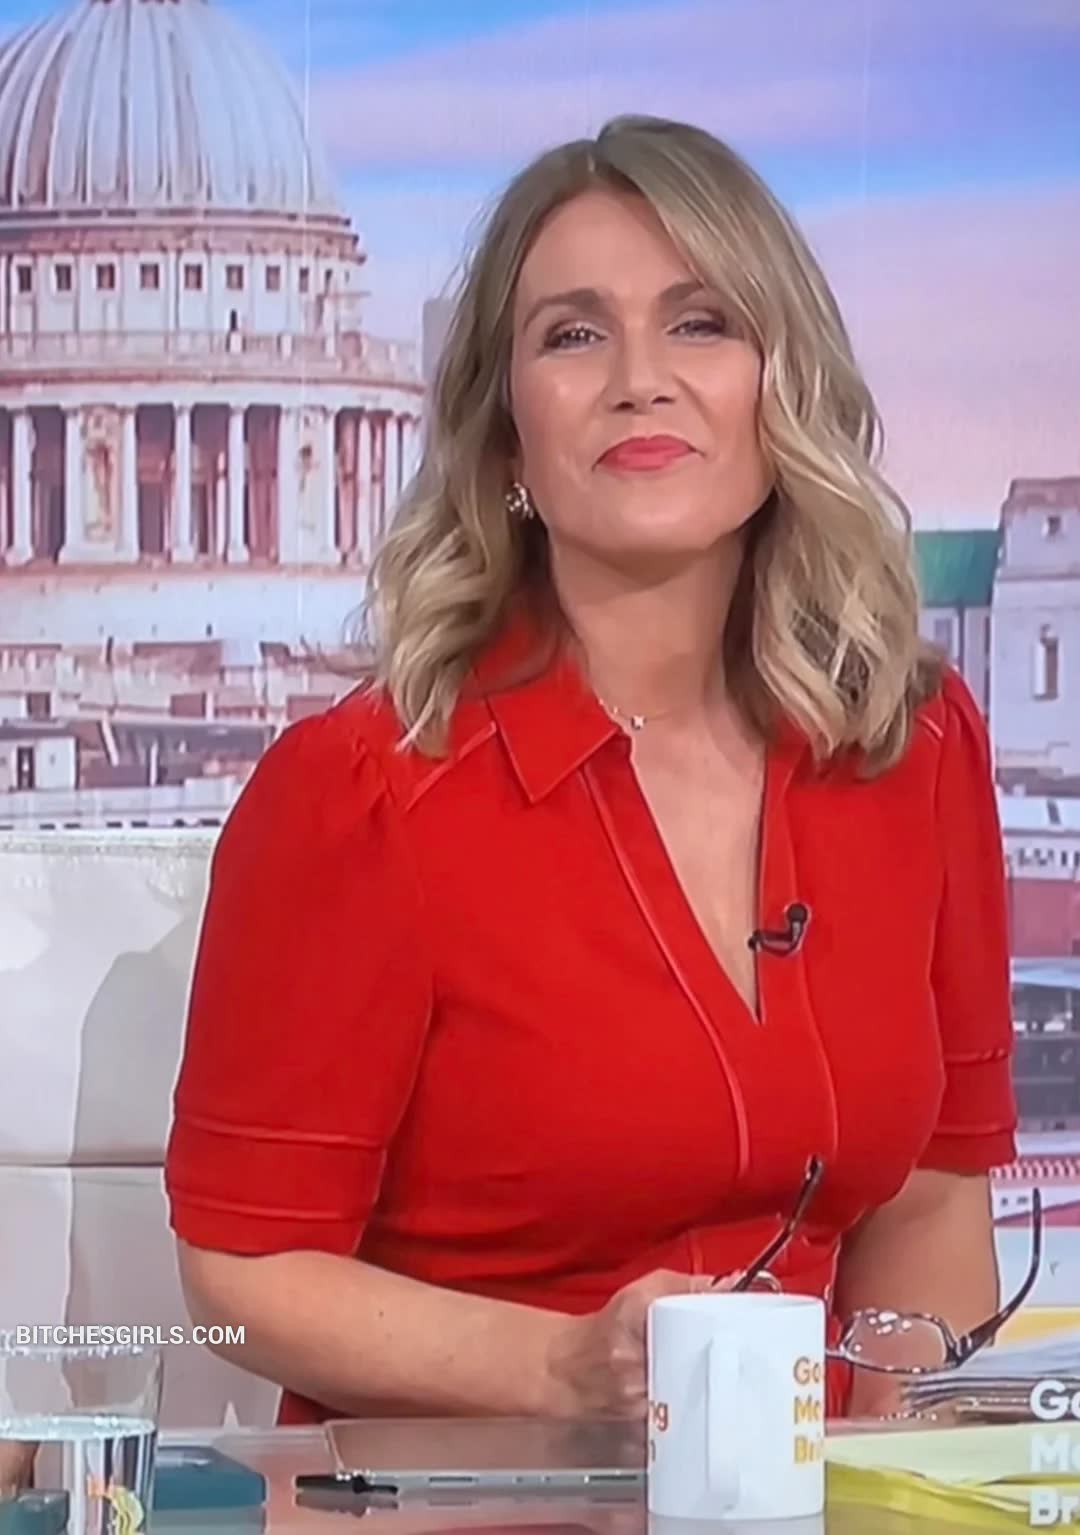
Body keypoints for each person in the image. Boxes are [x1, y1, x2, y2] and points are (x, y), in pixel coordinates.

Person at [163, 114, 1018, 1427]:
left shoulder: (914, 741)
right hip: (460, 1499)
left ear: (784, 386)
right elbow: (238, 1280)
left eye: (701, 323)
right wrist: (561, 1370)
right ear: (506, 436)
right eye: (573, 335)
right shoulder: (364, 794)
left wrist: (905, 1489)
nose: (641, 380)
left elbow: (933, 1201)